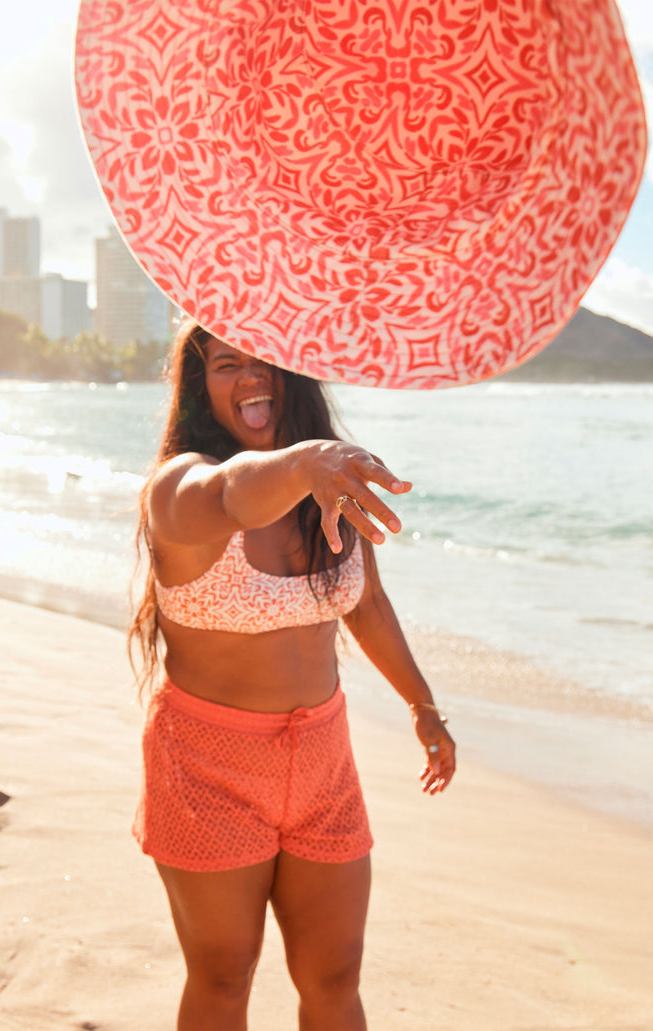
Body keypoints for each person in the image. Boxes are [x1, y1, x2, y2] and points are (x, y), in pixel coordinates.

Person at [129, 318, 456, 1031]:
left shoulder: (328, 486)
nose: (249, 377)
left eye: (264, 359)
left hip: (322, 761)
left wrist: (421, 705)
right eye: (224, 364)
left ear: (295, 372)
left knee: (334, 976)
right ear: (198, 387)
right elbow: (230, 496)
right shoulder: (180, 486)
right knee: (222, 977)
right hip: (205, 764)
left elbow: (364, 600)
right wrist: (304, 463)